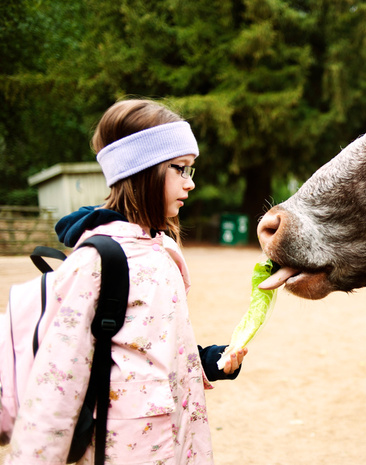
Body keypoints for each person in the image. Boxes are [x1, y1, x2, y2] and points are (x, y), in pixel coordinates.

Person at [6, 99, 246, 464]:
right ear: (142, 171)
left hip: (181, 443)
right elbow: (57, 381)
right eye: (180, 169)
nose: (191, 183)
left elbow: (152, 351)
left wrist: (207, 362)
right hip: (125, 451)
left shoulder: (162, 250)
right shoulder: (98, 262)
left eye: (191, 170)